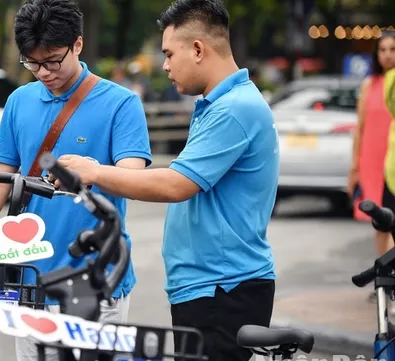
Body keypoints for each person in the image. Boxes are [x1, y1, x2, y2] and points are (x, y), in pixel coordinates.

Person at [54, 1, 278, 360]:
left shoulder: (233, 109)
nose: (165, 65)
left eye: (169, 54)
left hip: (222, 288)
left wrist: (92, 171)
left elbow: (175, 184)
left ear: (198, 49)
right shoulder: (219, 104)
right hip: (210, 286)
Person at [0, 1, 152, 360]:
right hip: (30, 281)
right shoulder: (19, 101)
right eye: (32, 62)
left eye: (53, 60)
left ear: (78, 45)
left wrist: (91, 170)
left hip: (96, 279)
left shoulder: (120, 104)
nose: (43, 72)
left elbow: (134, 178)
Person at [348, 31, 395, 303]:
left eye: (392, 49)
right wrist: (354, 167)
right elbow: (360, 127)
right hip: (372, 159)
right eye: (383, 50)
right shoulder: (371, 84)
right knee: (380, 224)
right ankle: (384, 275)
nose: (388, 54)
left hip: (391, 161)